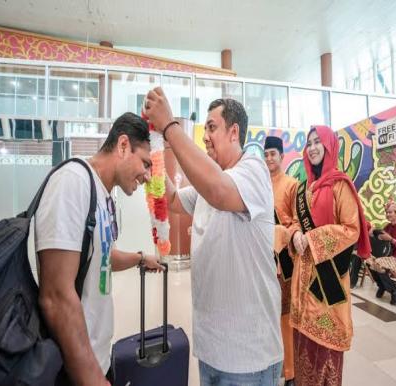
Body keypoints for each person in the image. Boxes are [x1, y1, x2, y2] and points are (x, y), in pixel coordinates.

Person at [145, 88, 283, 386]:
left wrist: (170, 127)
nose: (205, 136)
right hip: (211, 350)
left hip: (248, 358)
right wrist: (154, 160)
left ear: (234, 132)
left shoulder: (252, 172)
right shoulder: (209, 185)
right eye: (204, 128)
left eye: (211, 127)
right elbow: (172, 201)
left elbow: (220, 191)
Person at [35, 112, 164, 386]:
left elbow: (102, 259)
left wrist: (141, 259)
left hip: (97, 358)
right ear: (123, 145)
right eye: (145, 163)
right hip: (73, 368)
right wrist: (92, 378)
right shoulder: (73, 182)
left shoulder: (104, 196)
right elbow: (56, 295)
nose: (147, 175)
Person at [289, 126, 370, 386]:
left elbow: (352, 228)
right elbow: (293, 221)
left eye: (317, 142)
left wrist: (312, 238)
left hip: (328, 280)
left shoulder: (339, 184)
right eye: (309, 143)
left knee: (324, 351)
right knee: (303, 345)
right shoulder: (303, 188)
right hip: (303, 277)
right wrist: (294, 235)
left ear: (329, 146)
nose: (312, 147)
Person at [264, 136, 298, 386]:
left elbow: (297, 222)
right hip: (262, 258)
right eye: (266, 155)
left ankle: (290, 371)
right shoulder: (261, 185)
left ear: (282, 156)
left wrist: (282, 234)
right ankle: (271, 364)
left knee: (285, 316)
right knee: (266, 314)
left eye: (273, 154)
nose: (269, 159)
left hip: (285, 261)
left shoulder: (292, 185)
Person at [367, 200, 396, 305]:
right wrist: (372, 235)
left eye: (390, 212)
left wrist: (392, 240)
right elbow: (381, 242)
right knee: (369, 261)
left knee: (378, 263)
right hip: (389, 257)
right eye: (387, 212)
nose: (388, 214)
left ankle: (394, 290)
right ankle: (382, 286)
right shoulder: (387, 227)